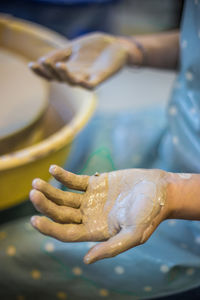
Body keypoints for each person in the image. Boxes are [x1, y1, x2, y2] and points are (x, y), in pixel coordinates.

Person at [29, 0, 200, 265]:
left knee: (15, 259)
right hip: (174, 135)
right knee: (65, 150)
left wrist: (174, 193)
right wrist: (132, 48)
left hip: (191, 225)